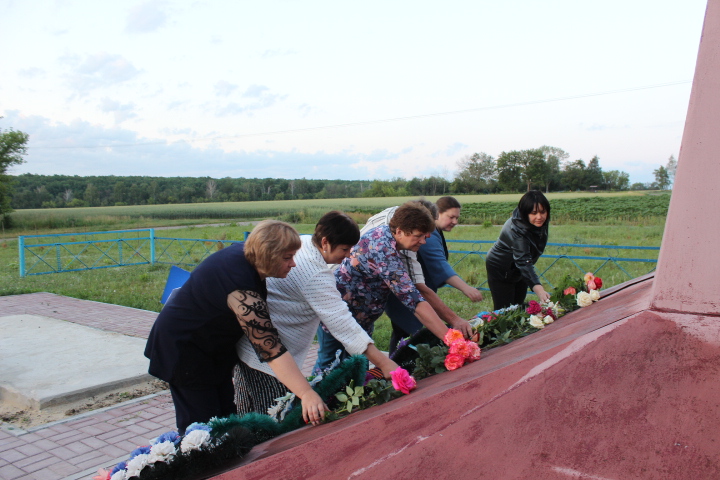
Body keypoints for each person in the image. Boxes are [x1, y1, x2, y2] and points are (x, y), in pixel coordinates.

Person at [144, 220, 326, 434]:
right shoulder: (240, 288)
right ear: (267, 254)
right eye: (287, 258)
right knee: (202, 429)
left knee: (225, 420)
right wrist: (306, 393)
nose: (293, 264)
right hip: (185, 350)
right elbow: (270, 348)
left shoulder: (248, 255)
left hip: (210, 352)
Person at [234, 211, 399, 415]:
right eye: (345, 249)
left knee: (245, 414)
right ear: (325, 242)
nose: (348, 255)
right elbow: (342, 323)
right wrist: (383, 362)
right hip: (271, 362)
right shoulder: (314, 273)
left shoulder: (301, 244)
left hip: (250, 347)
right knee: (271, 419)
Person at [313, 201, 459, 372]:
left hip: (360, 319)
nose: (423, 242)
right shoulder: (383, 248)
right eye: (419, 236)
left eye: (425, 237)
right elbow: (415, 302)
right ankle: (311, 398)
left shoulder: (393, 241)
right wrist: (452, 341)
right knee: (329, 366)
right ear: (399, 232)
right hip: (338, 316)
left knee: (357, 367)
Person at [387, 196, 483, 353]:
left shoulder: (415, 233)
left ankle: (395, 365)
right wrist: (452, 332)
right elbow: (436, 269)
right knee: (407, 332)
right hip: (399, 293)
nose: (424, 241)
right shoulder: (399, 239)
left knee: (404, 333)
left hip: (404, 292)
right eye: (451, 217)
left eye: (457, 218)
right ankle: (396, 366)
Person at [485, 190, 552, 310]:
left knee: (518, 306)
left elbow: (524, 261)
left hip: (520, 268)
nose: (539, 217)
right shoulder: (517, 230)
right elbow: (523, 261)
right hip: (501, 268)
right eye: (534, 213)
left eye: (543, 212)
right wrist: (539, 290)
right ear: (525, 213)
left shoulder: (540, 222)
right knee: (505, 311)